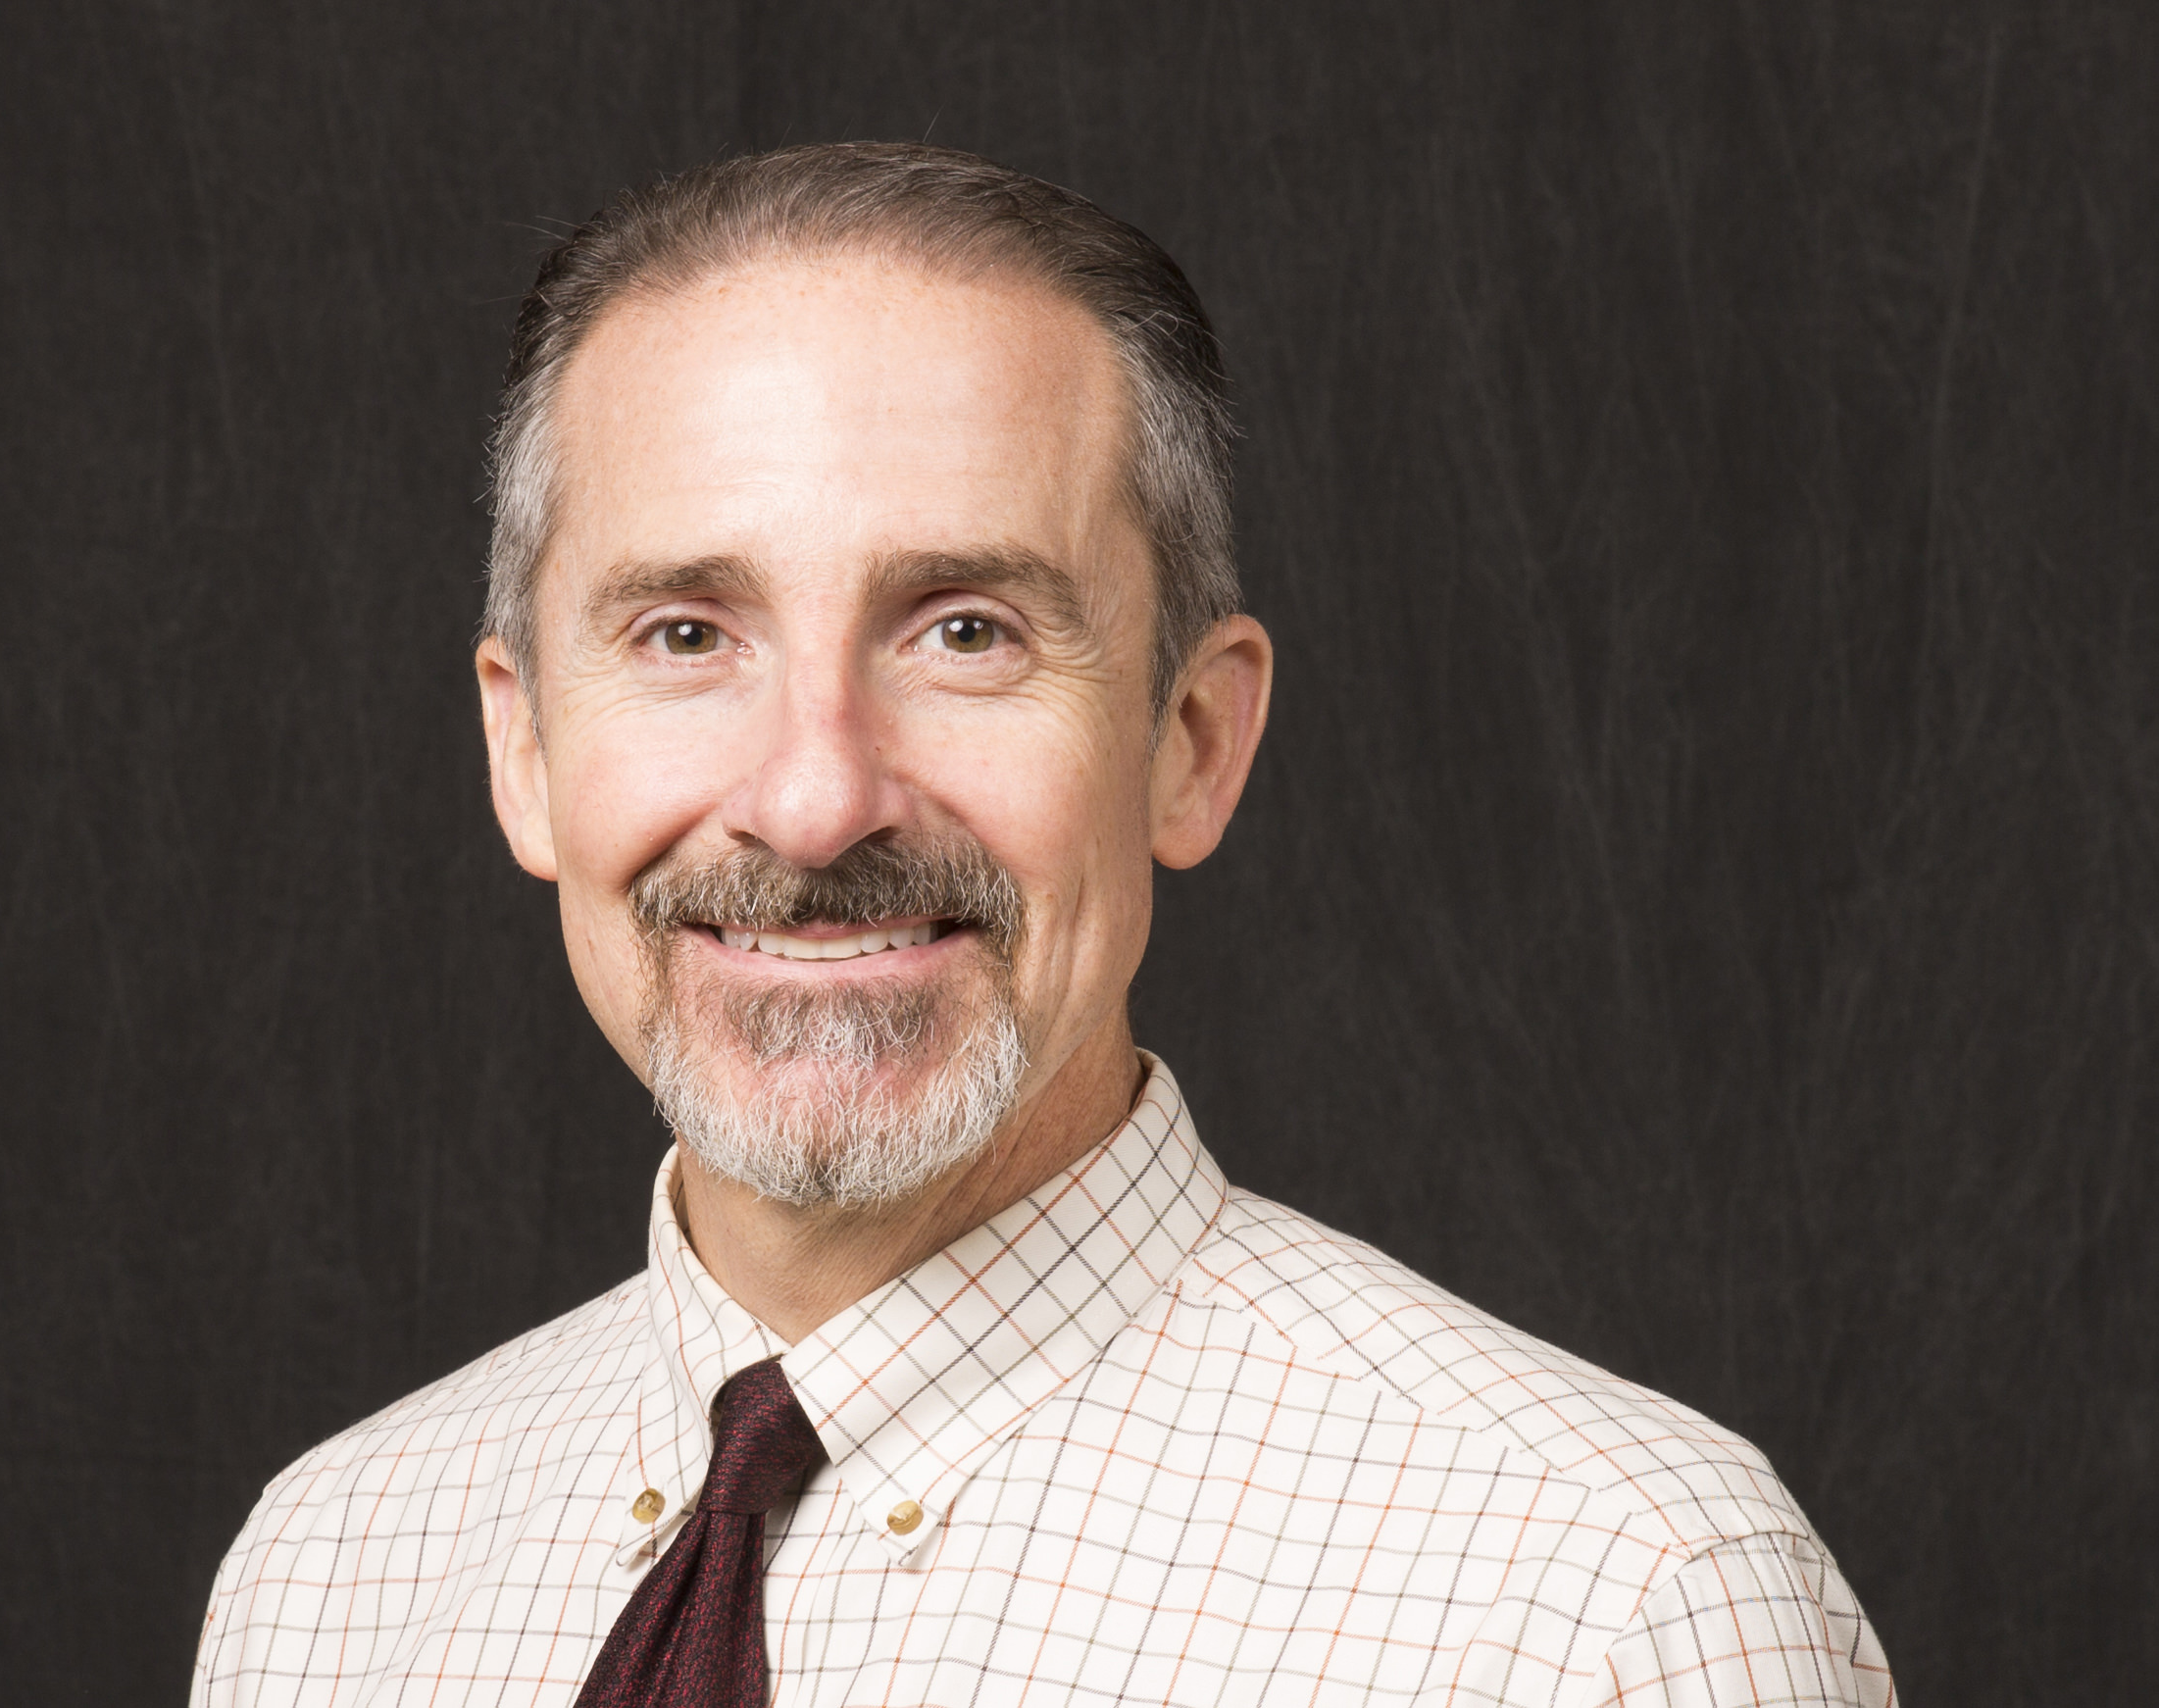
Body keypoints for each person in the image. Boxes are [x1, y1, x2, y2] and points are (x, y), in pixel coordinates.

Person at [190, 143, 1894, 1708]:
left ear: (1190, 742)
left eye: (966, 630)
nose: (815, 800)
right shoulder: (328, 1582)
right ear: (525, 752)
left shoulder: (1609, 1606)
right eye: (687, 635)